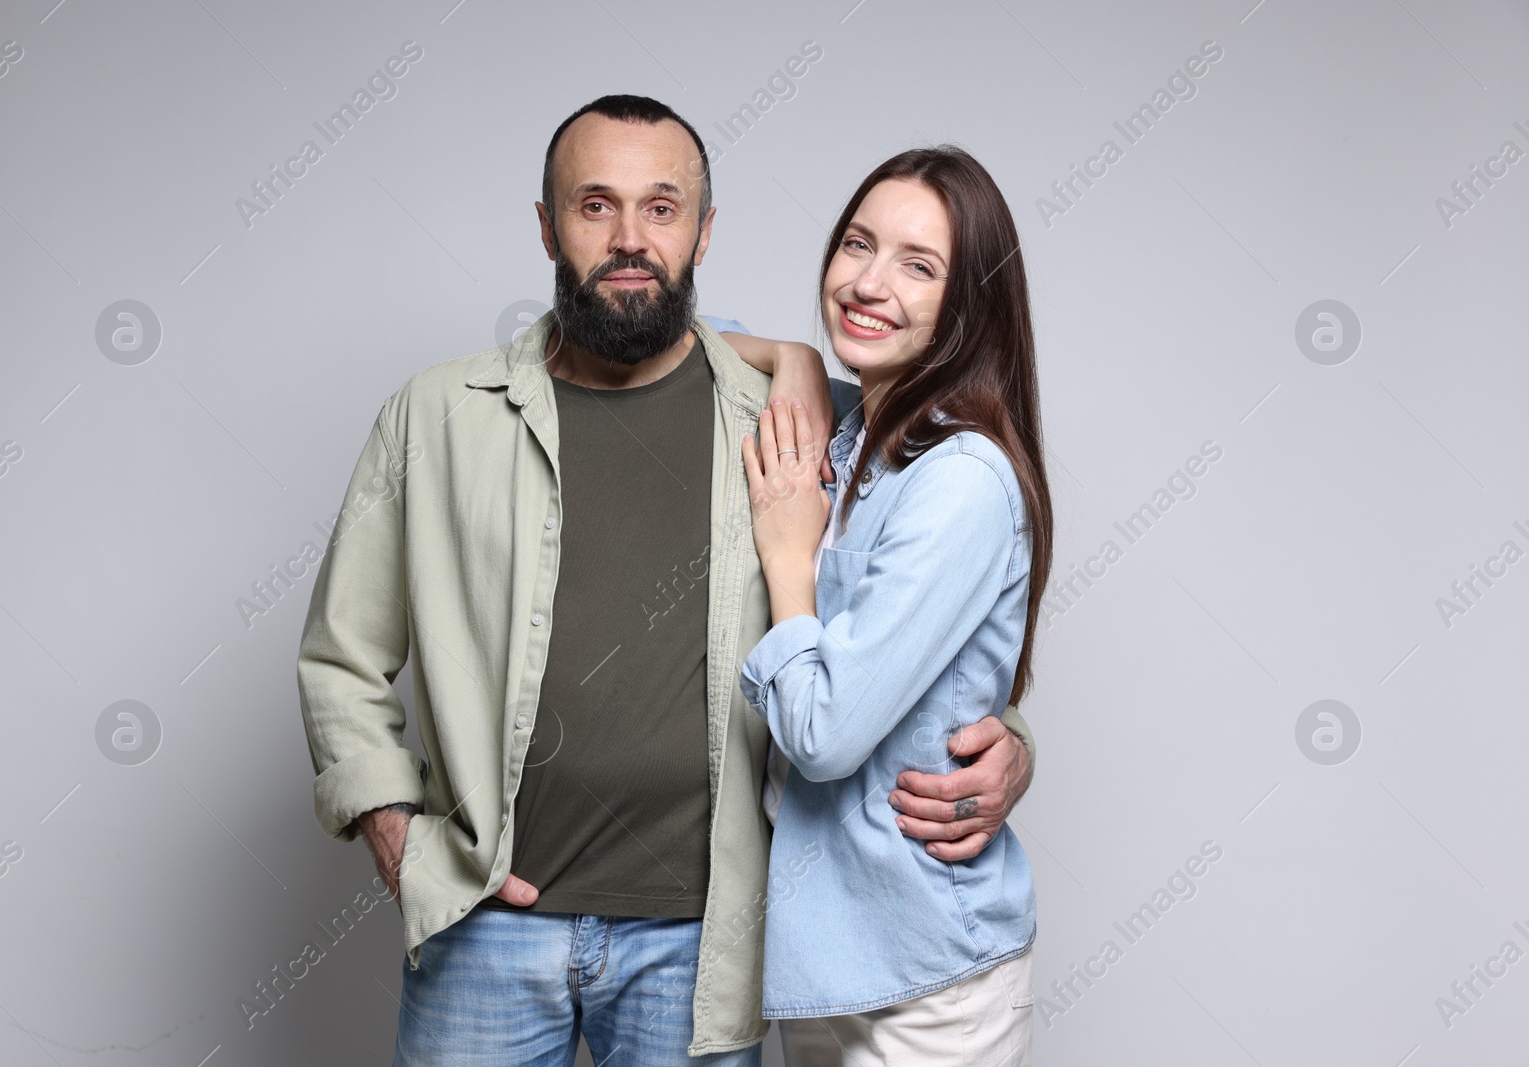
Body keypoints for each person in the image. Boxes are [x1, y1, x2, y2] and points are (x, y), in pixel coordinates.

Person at [295, 96, 1037, 1066]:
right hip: (486, 924)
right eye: (594, 205)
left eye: (662, 207)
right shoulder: (437, 416)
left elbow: (914, 634)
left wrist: (1009, 741)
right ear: (546, 223)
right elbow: (338, 656)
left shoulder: (796, 427)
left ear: (704, 229)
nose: (630, 238)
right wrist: (394, 831)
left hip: (705, 939)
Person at [722, 147, 1052, 1065]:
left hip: (925, 972)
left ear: (968, 304)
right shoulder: (849, 426)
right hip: (822, 953)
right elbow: (677, 332)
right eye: (857, 244)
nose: (869, 282)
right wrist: (791, 354)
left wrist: (790, 558)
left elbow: (824, 734)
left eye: (919, 264)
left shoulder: (963, 480)